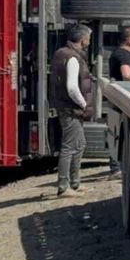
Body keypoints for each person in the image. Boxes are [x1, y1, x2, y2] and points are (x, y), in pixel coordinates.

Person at [50, 24, 94, 196]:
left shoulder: (60, 53)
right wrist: (84, 104)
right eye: (88, 38)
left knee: (80, 144)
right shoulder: (73, 58)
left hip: (65, 106)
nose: (89, 41)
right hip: (71, 109)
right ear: (83, 40)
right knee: (69, 146)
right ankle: (64, 186)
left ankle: (75, 183)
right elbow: (72, 88)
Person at [106, 26, 130, 177]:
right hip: (124, 99)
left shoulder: (116, 53)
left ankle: (115, 166)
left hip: (117, 99)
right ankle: (116, 168)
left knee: (117, 130)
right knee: (121, 131)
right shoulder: (124, 55)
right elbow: (126, 75)